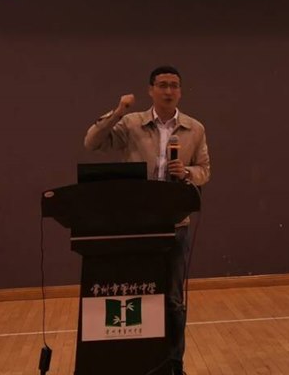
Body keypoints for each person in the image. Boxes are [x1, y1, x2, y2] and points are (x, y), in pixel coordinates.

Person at [84, 65, 210, 375]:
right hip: (138, 224)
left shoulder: (195, 128)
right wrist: (117, 111)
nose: (169, 91)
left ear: (180, 91)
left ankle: (174, 365)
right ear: (150, 90)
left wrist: (188, 172)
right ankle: (138, 361)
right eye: (162, 85)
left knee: (174, 300)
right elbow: (92, 142)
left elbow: (204, 170)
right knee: (139, 293)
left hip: (176, 224)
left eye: (174, 85)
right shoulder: (131, 123)